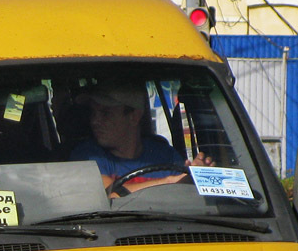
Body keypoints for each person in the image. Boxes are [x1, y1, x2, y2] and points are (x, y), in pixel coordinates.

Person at [71, 82, 212, 194]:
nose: (95, 121)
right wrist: (171, 181)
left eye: (105, 113)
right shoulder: (88, 156)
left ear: (134, 116)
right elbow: (108, 195)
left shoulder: (167, 156)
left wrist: (200, 175)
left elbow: (186, 194)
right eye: (93, 113)